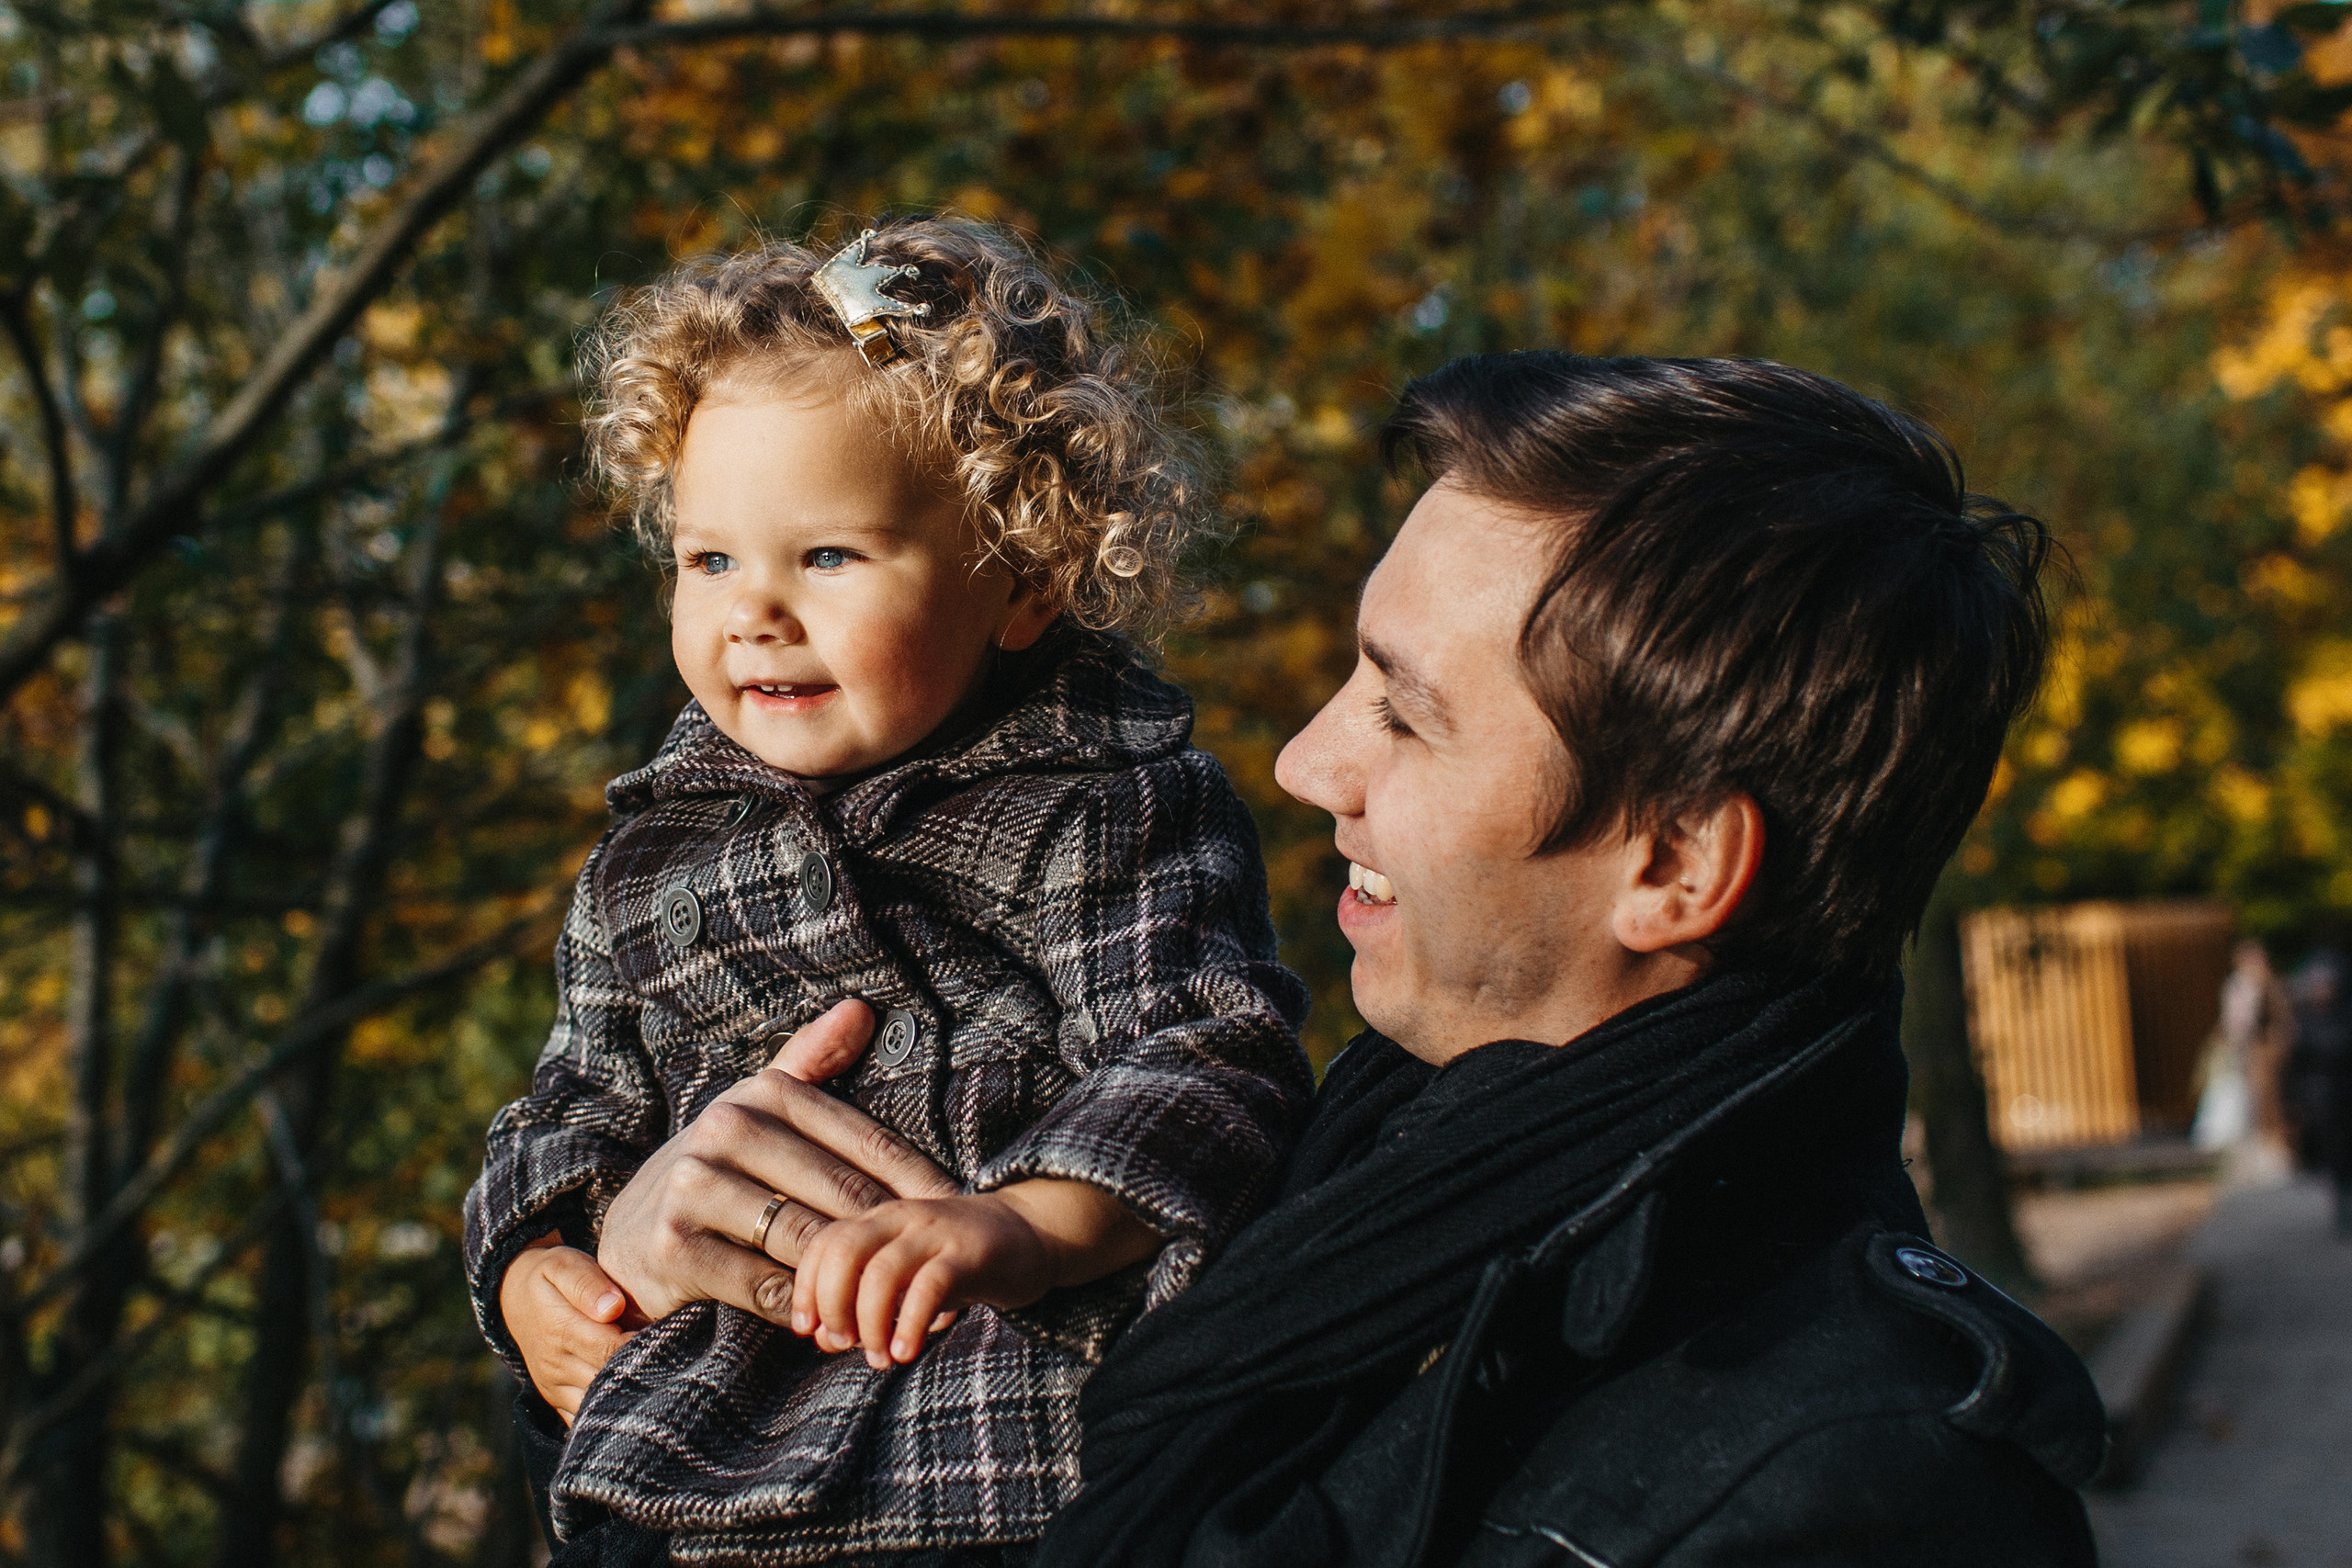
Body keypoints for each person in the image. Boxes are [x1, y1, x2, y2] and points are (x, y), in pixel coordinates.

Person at [1030, 353, 2107, 1566]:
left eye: (1404, 713)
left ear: (1676, 865)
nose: (1304, 763)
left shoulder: (1863, 1501)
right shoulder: (1322, 1194)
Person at [461, 218, 1312, 1565]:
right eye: (710, 559)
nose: (755, 612)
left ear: (1022, 580)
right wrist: (528, 1273)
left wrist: (1026, 1228)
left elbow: (1212, 1057)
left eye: (830, 558)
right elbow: (573, 1103)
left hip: (987, 1457)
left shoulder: (1105, 798)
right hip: (682, 1472)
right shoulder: (650, 855)